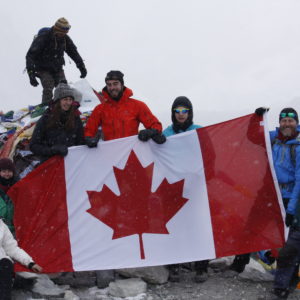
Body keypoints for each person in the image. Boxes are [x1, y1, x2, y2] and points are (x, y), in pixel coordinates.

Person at [229, 107, 300, 299]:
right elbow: (253, 136)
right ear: (279, 123)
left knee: (291, 241)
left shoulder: (299, 146)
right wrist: (256, 117)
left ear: (296, 123)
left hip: (291, 195)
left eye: (290, 121)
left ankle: (287, 281)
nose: (287, 124)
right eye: (284, 121)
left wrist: (292, 210)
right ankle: (239, 263)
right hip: (269, 191)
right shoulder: (274, 137)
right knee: (252, 226)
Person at [163, 96, 209, 283]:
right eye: (177, 111)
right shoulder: (166, 133)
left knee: (198, 226)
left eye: (184, 111)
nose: (181, 115)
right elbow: (157, 155)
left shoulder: (198, 131)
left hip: (196, 186)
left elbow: (210, 155)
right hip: (173, 187)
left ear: (190, 113)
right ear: (173, 113)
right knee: (175, 226)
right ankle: (175, 265)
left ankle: (201, 267)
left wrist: (204, 176)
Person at [84, 70, 166, 145]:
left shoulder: (137, 105)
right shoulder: (100, 109)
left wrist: (151, 132)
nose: (112, 88)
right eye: (109, 85)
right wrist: (88, 138)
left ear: (122, 84)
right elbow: (89, 130)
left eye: (115, 84)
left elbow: (155, 125)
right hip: (110, 155)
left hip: (132, 154)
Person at [26, 17, 87, 105]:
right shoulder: (44, 37)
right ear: (56, 29)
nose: (62, 35)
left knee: (64, 89)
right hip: (43, 68)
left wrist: (81, 66)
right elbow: (30, 55)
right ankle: (46, 109)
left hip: (57, 68)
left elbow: (73, 53)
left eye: (65, 33)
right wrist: (31, 74)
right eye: (61, 33)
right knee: (48, 87)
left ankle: (63, 109)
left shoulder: (65, 38)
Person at [30, 83, 85, 163]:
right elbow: (34, 145)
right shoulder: (46, 118)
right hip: (50, 164)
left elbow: (80, 142)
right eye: (65, 99)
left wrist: (88, 142)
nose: (68, 103)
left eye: (70, 99)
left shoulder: (75, 118)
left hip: (71, 164)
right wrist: (52, 150)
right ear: (58, 101)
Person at [0, 218, 42, 300]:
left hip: (1, 264)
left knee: (6, 264)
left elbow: (12, 248)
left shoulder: (1, 225)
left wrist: (30, 263)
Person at [0, 158, 18, 235]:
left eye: (9, 171)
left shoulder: (17, 184)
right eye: (4, 171)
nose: (7, 174)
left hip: (12, 219)